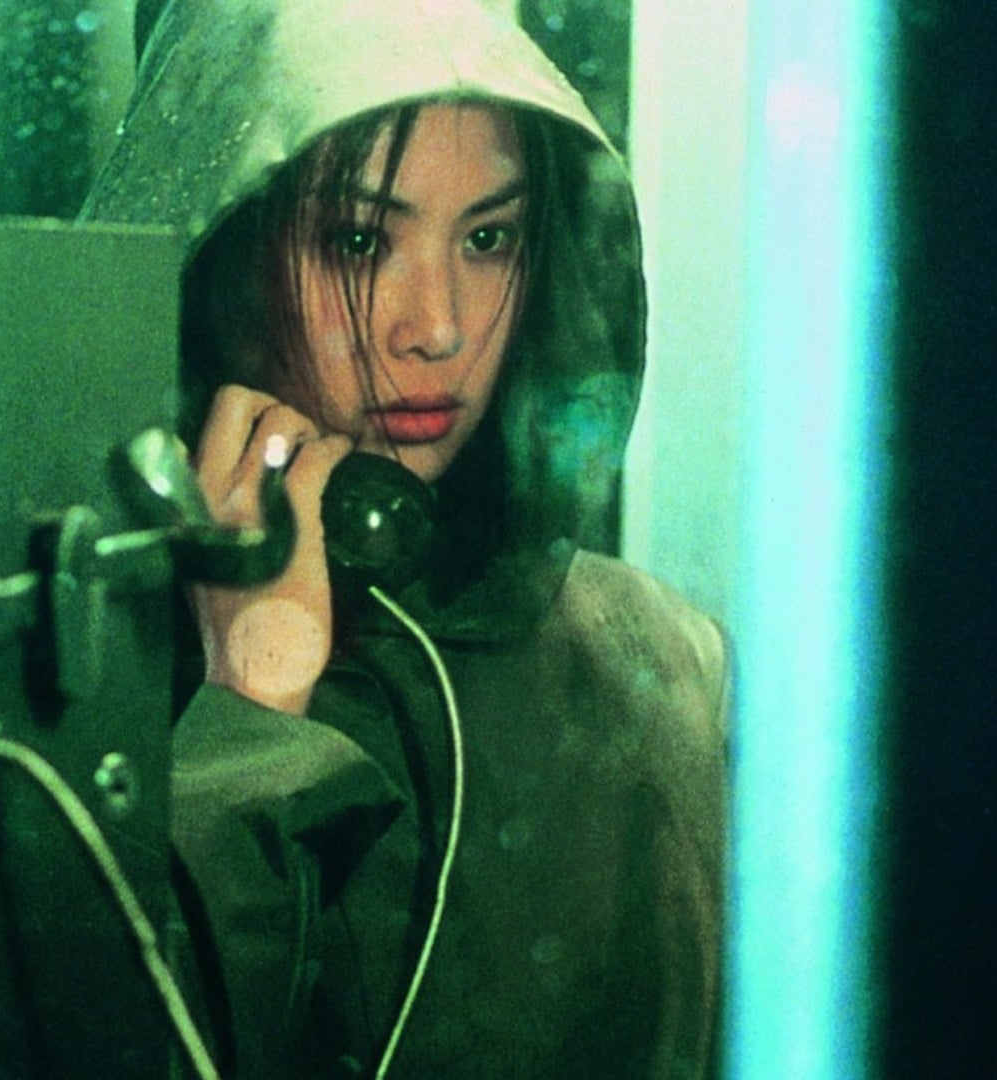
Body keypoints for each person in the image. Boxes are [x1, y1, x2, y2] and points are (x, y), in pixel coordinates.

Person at [81, 1, 728, 1076]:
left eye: (488, 239)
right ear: (223, 249)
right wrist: (250, 715)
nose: (438, 327)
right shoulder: (79, 658)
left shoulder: (660, 663)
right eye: (358, 242)